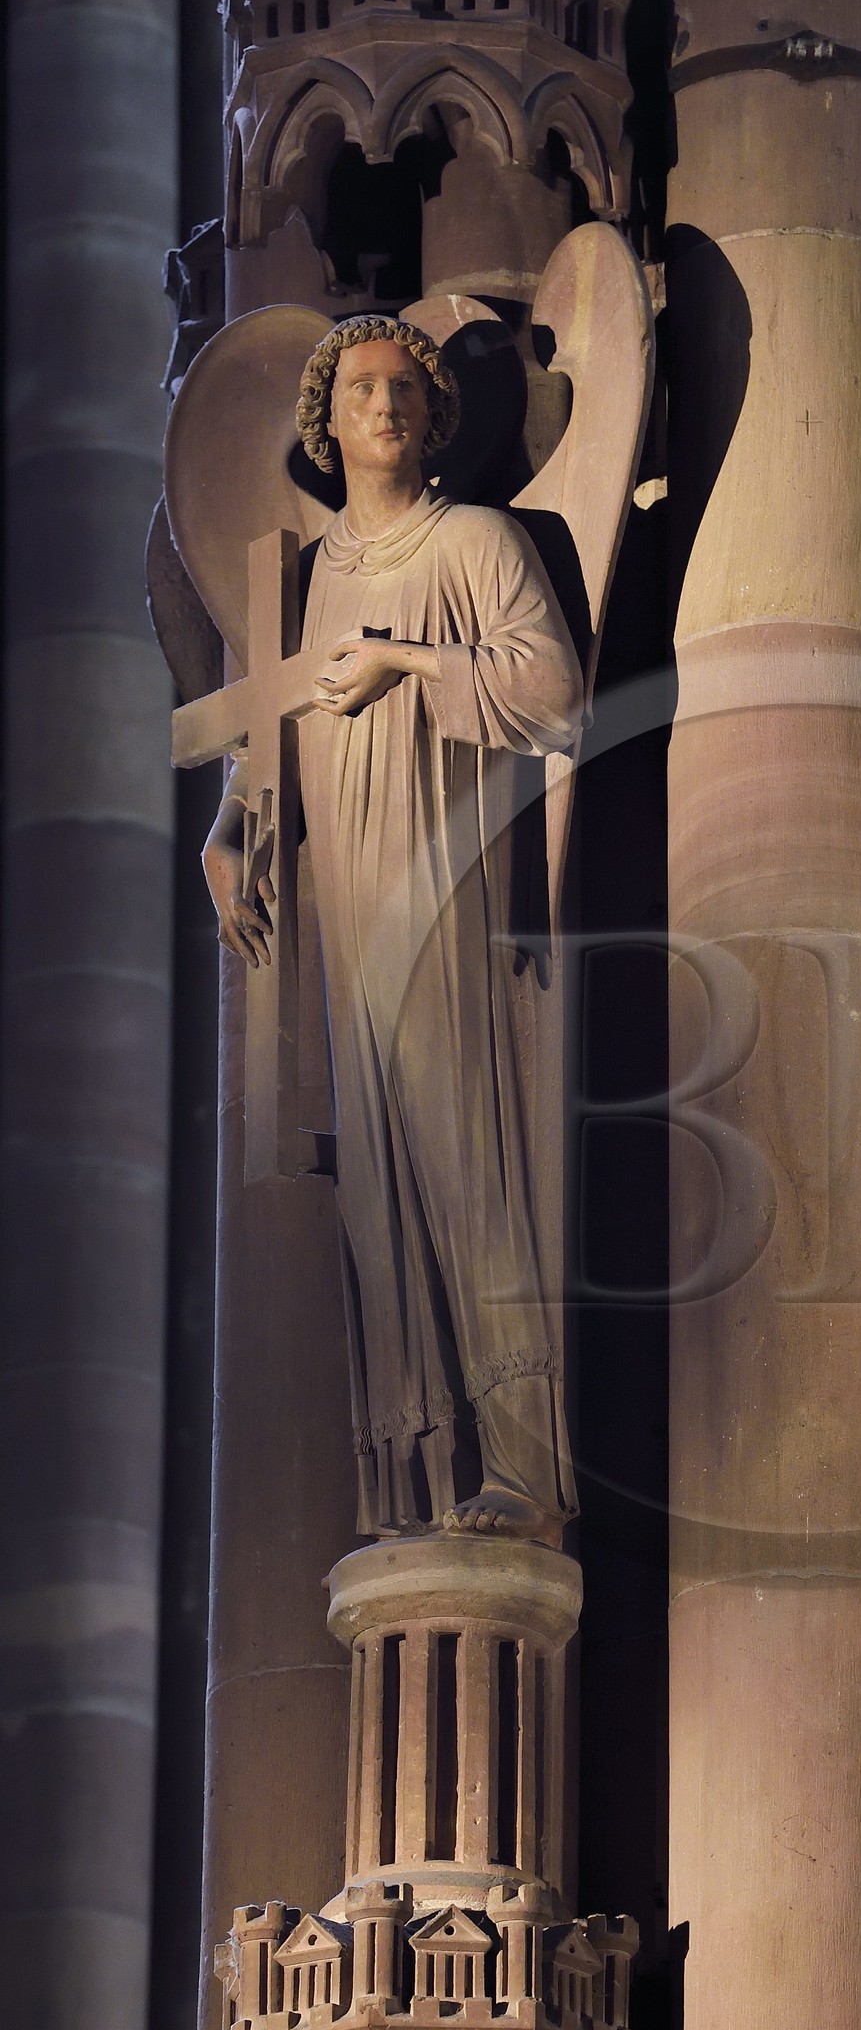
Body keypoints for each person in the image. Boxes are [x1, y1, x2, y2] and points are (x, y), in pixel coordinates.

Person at [202, 315, 583, 1538]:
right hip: (351, 903)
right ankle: (409, 1481)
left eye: (405, 389)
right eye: (361, 388)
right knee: (378, 1192)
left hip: (438, 870)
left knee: (466, 1153)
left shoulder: (470, 538)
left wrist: (407, 661)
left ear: (434, 418)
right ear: (325, 419)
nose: (384, 405)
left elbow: (551, 688)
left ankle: (524, 1466)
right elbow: (275, 731)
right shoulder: (310, 578)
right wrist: (233, 830)